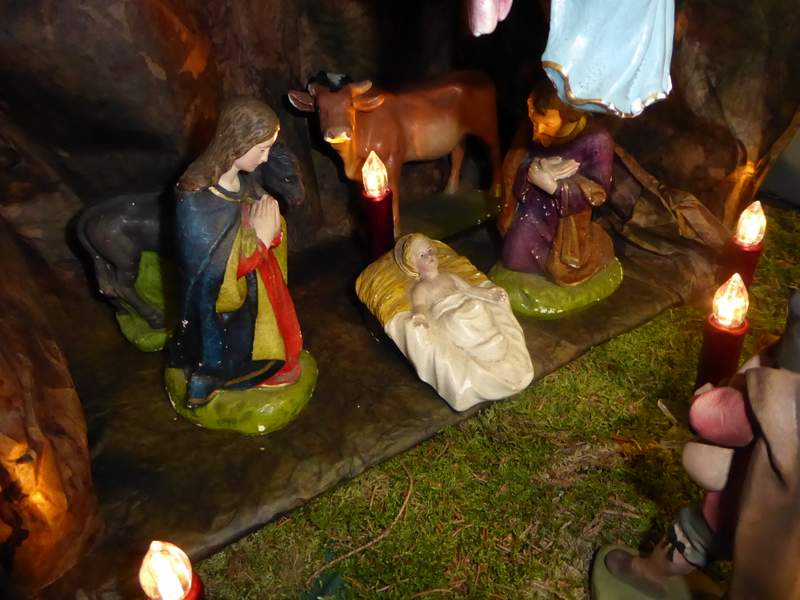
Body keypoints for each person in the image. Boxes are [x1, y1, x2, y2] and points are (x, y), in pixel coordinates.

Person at [169, 97, 302, 405]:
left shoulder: (243, 181)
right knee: (240, 346)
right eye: (262, 149)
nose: (266, 159)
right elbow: (207, 272)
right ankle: (216, 377)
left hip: (258, 286)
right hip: (223, 316)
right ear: (238, 141)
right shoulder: (194, 198)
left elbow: (251, 216)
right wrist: (260, 241)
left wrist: (270, 223)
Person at [386, 234, 533, 411]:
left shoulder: (449, 277)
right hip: (448, 315)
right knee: (457, 318)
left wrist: (487, 294)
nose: (430, 256)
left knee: (477, 305)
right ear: (413, 265)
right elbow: (420, 306)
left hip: (467, 305)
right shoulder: (421, 288)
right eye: (423, 255)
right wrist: (421, 316)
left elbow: (470, 290)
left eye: (430, 250)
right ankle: (478, 349)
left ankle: (490, 346)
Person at [499, 85, 615, 286]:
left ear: (569, 116)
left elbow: (599, 191)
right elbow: (515, 163)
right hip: (533, 207)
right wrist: (534, 169)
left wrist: (554, 187)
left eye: (548, 123)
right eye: (535, 122)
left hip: (568, 220)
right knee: (514, 257)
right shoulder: (532, 131)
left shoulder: (597, 140)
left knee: (560, 268)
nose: (537, 132)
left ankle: (596, 245)